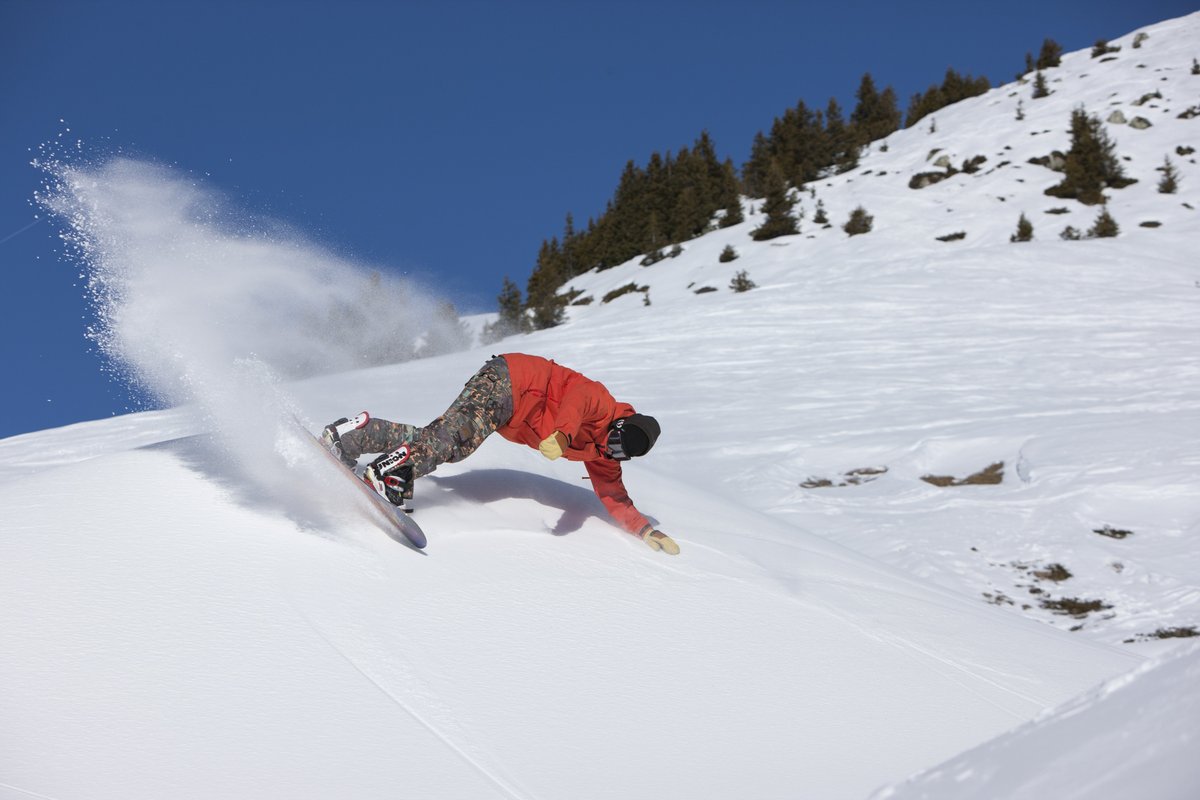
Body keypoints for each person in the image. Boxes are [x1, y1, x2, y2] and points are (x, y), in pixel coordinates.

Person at [321, 353, 679, 554]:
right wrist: (562, 435)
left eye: (621, 453)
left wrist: (645, 530)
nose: (613, 451)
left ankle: (353, 436)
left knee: (442, 437)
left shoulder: (605, 455)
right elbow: (576, 400)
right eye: (617, 441)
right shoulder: (602, 403)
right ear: (621, 424)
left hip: (509, 404)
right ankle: (391, 474)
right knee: (458, 438)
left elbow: (613, 494)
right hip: (513, 382)